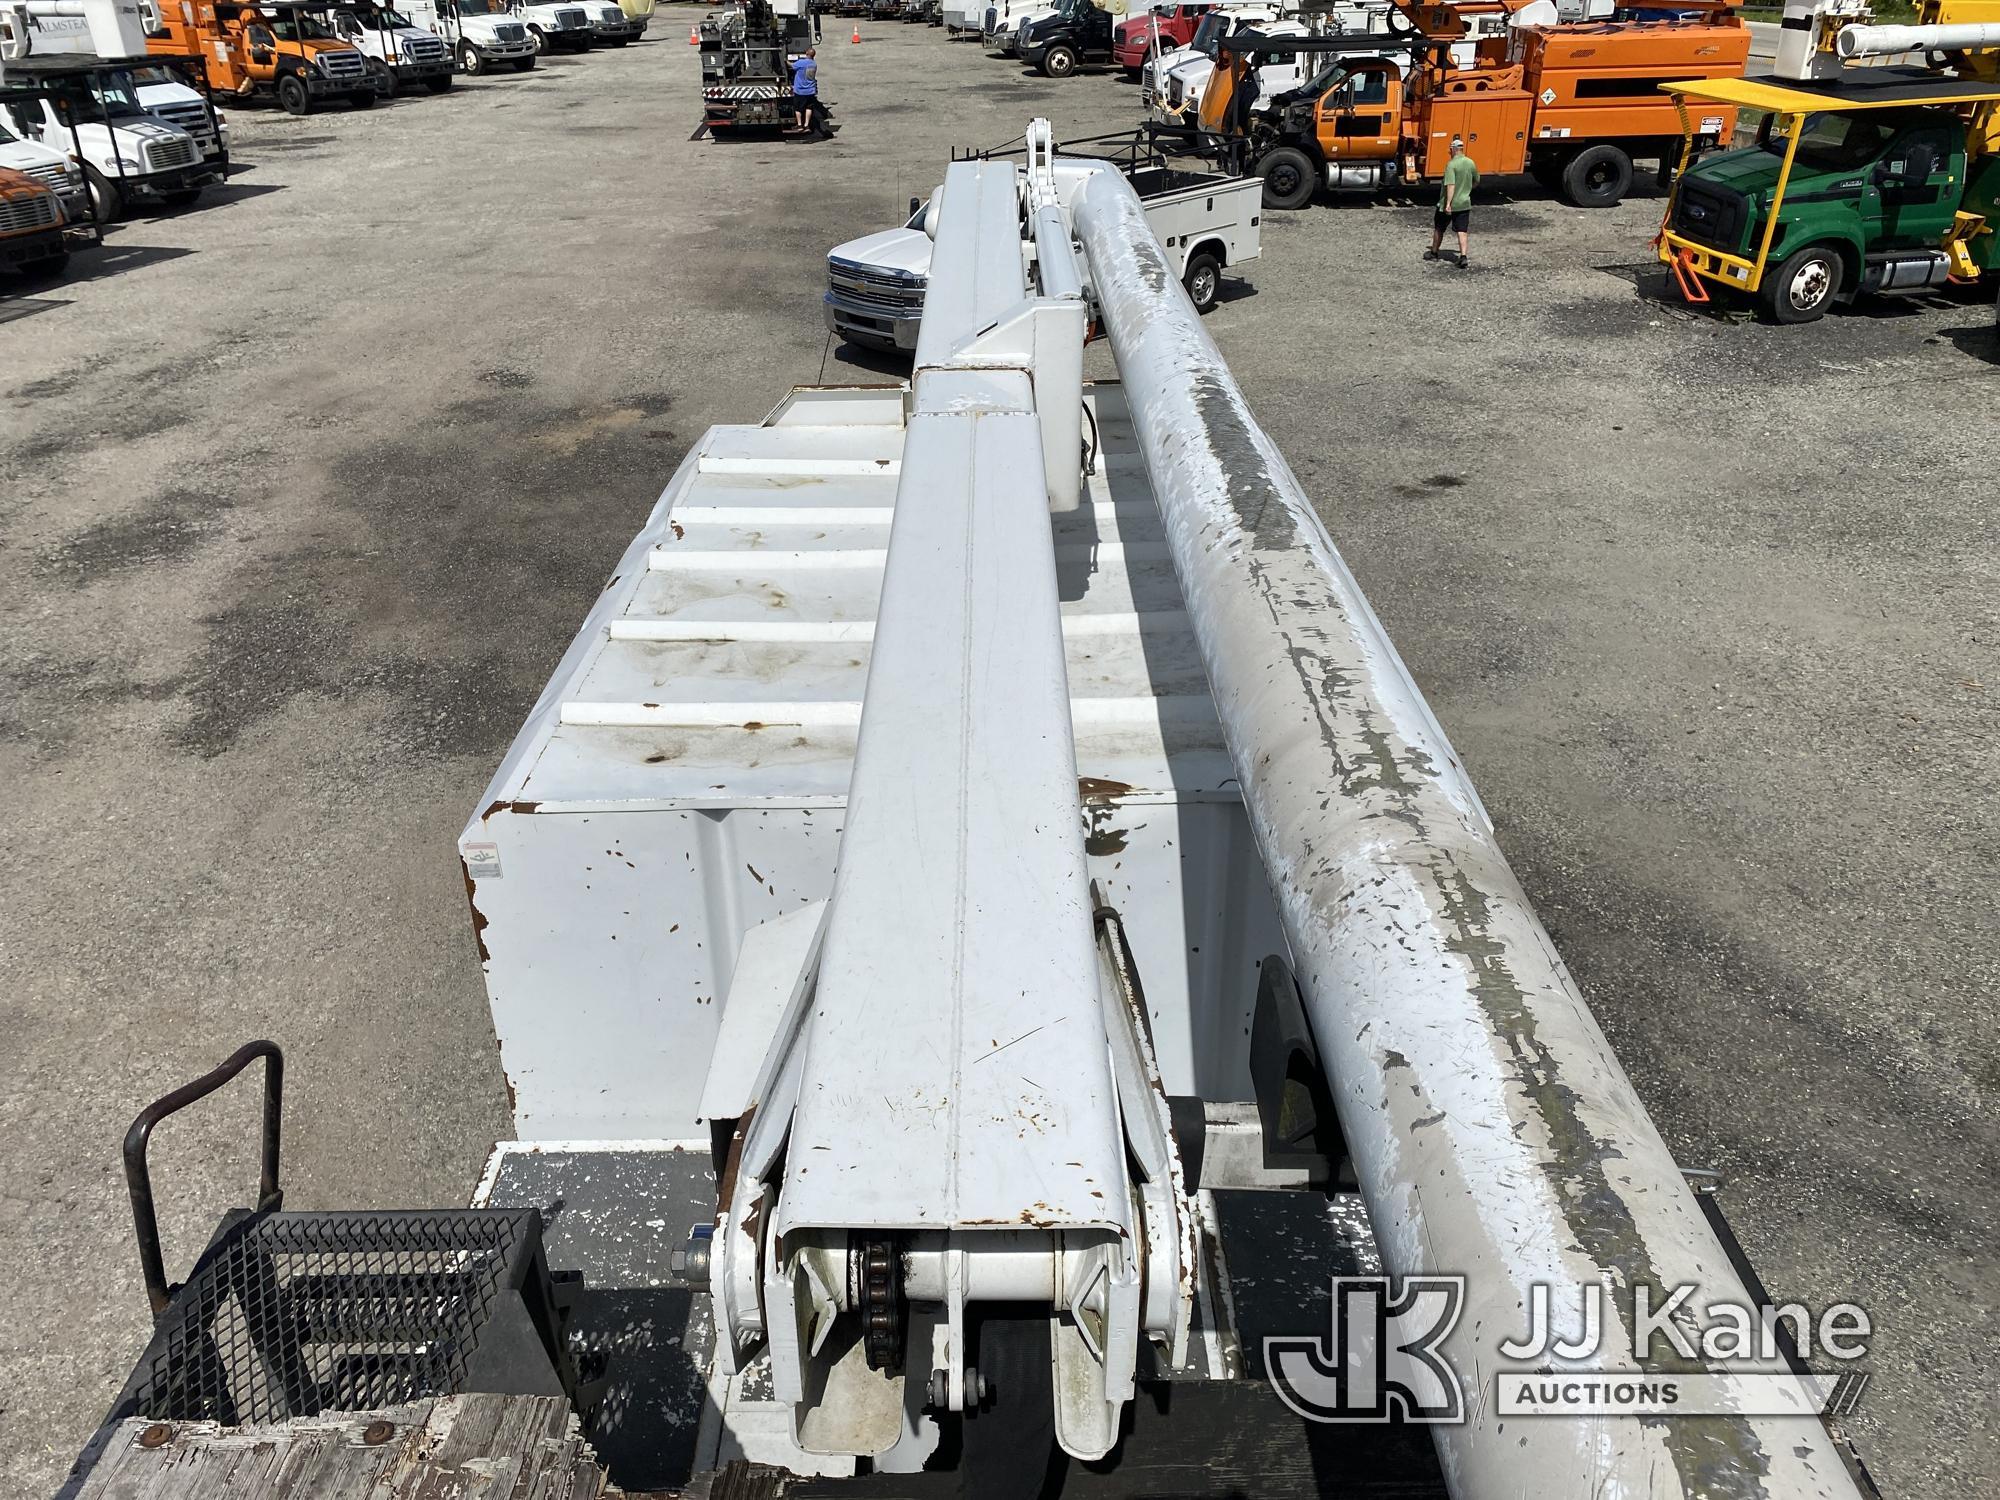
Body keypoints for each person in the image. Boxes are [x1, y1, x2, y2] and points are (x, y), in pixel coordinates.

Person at [1426, 136, 1477, 269]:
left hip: (1448, 204)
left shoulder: (1451, 165)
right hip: (1464, 203)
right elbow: (1476, 180)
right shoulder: (1470, 162)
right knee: (1462, 230)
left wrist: (1448, 204)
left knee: (1439, 228)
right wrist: (1467, 189)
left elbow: (1450, 184)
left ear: (1454, 150)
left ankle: (1434, 252)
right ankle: (1463, 256)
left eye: (1450, 150)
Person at [788, 47, 818, 135]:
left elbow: (791, 66)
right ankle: (807, 125)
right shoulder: (814, 64)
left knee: (798, 108)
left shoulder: (801, 63)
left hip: (800, 91)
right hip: (810, 90)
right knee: (809, 108)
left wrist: (785, 61)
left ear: (806, 54)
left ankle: (800, 125)